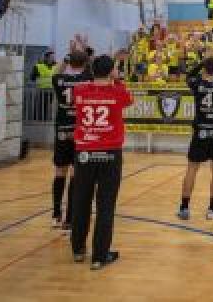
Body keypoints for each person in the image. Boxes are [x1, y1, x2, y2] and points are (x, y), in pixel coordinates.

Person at [70, 55, 134, 270]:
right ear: (111, 72)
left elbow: (77, 94)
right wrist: (116, 79)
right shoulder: (118, 92)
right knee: (106, 205)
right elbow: (129, 99)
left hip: (84, 153)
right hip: (110, 153)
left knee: (81, 202)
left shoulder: (79, 90)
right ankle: (99, 255)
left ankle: (78, 250)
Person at [178, 56, 213, 221]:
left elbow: (188, 75)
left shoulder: (198, 84)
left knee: (192, 169)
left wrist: (201, 63)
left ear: (204, 69)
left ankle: (184, 208)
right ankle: (212, 209)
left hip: (200, 132)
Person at [51, 48, 93, 230]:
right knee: (76, 174)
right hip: (80, 131)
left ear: (69, 62)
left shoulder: (59, 79)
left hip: (62, 130)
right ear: (84, 63)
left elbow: (56, 71)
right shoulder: (88, 80)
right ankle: (69, 219)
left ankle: (56, 214)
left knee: (60, 172)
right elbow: (91, 69)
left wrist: (67, 56)